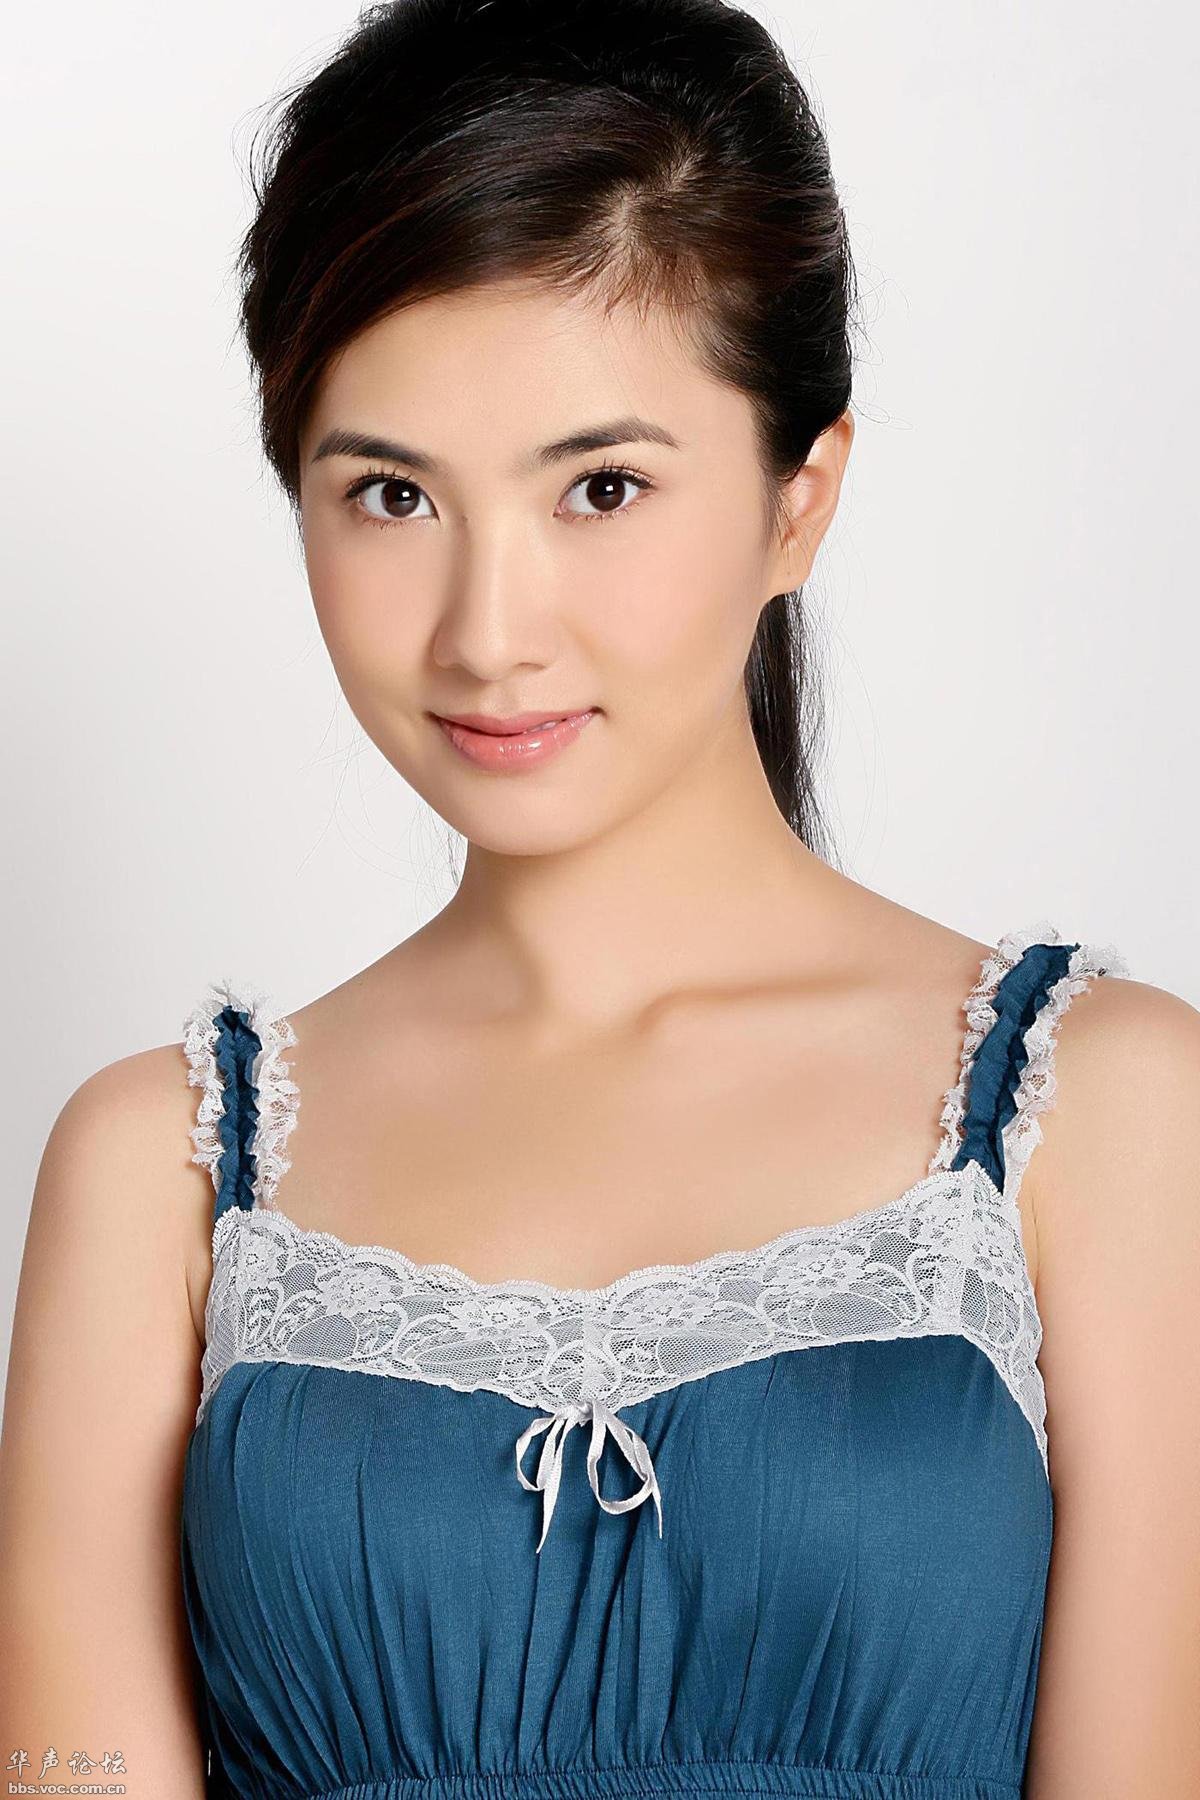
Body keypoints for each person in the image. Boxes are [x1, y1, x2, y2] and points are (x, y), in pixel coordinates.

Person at [2, 0, 1197, 1794]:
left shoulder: (1106, 1110)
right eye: (390, 494)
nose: (489, 632)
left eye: (603, 487)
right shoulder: (158, 1164)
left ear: (800, 502)